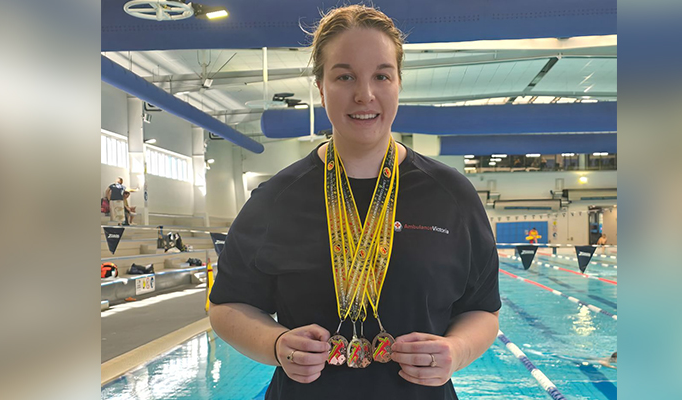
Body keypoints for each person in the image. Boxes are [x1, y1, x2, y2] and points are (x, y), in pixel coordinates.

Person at [208, 5, 500, 400]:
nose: (365, 94)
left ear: (398, 83)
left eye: (382, 75)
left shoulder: (452, 196)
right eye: (344, 76)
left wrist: (458, 350)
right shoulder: (276, 198)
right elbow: (227, 306)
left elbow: (482, 310)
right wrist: (276, 344)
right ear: (321, 87)